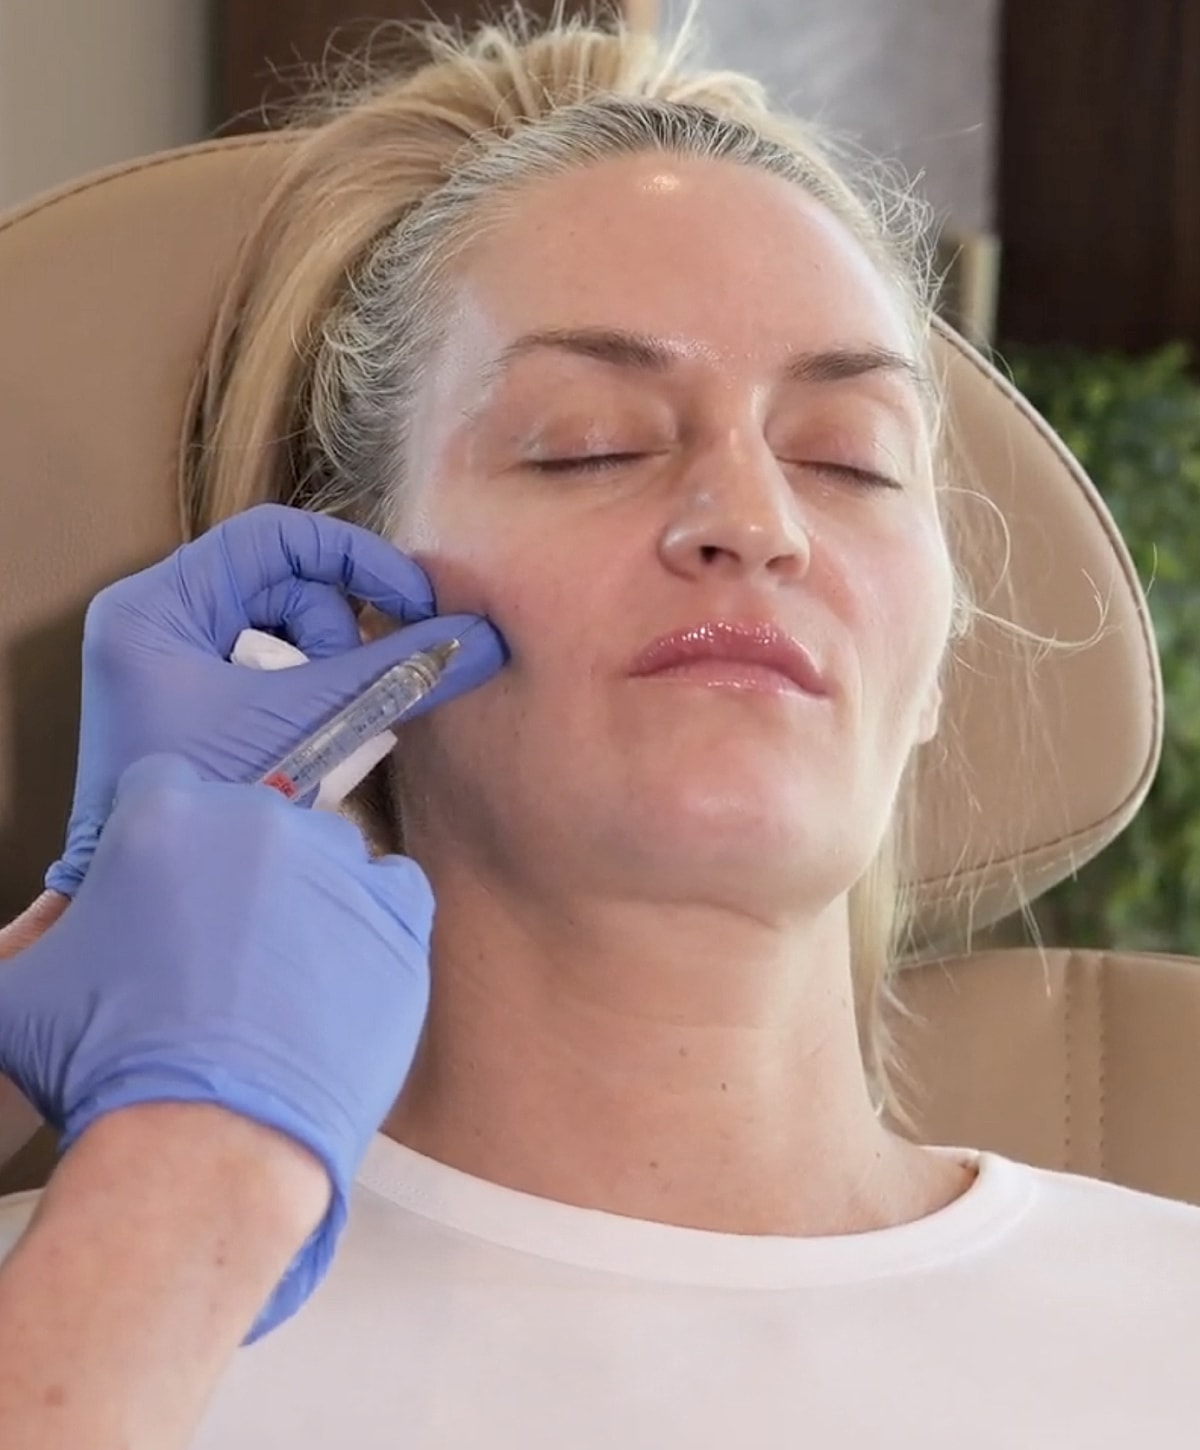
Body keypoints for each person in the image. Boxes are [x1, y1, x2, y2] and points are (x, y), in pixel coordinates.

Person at [0, 8, 1197, 1447]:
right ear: (354, 613)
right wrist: (188, 1179)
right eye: (590, 444)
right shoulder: (89, 1291)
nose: (755, 520)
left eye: (850, 461)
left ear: (937, 652)